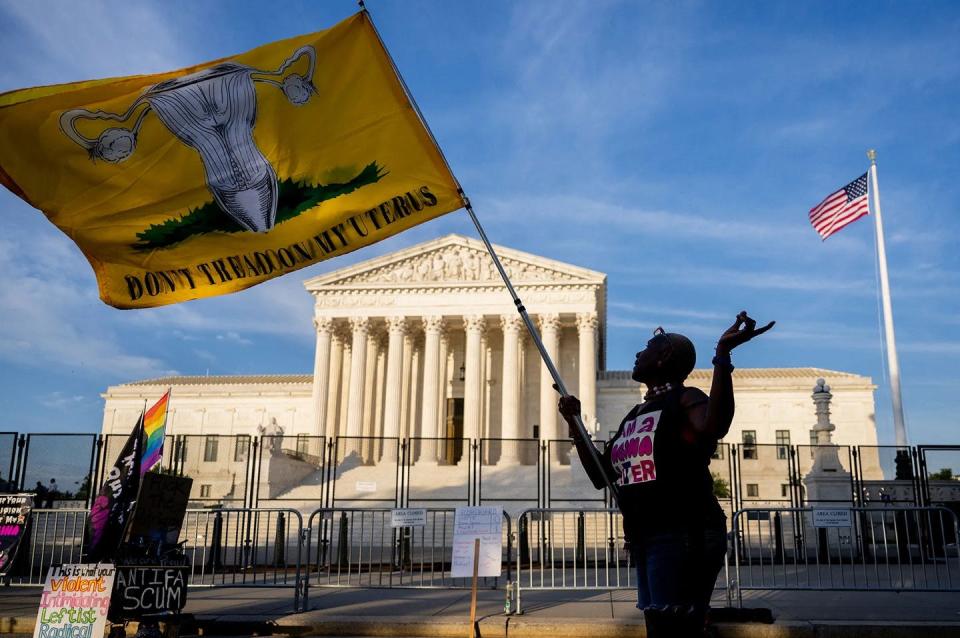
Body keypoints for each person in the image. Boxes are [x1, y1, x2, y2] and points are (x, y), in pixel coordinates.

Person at [558, 311, 774, 638]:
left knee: (672, 630)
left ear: (664, 357)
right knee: (660, 627)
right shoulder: (636, 414)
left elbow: (715, 426)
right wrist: (575, 425)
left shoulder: (685, 398)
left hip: (685, 534)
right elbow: (603, 474)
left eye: (647, 347)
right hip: (649, 537)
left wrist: (722, 356)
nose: (637, 353)